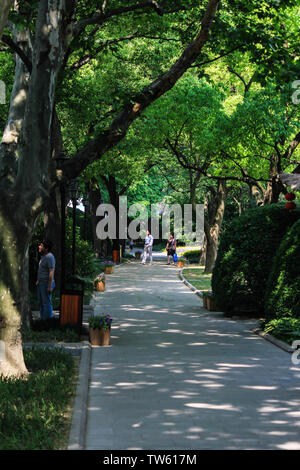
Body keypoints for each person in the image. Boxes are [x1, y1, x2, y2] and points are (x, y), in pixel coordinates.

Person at [36, 239, 56, 321]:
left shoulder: (50, 257)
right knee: (41, 303)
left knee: (46, 303)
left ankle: (48, 321)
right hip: (41, 283)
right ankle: (43, 320)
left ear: (46, 248)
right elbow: (42, 270)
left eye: (41, 245)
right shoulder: (44, 256)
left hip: (46, 283)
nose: (39, 247)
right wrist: (38, 280)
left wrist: (50, 285)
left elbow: (51, 271)